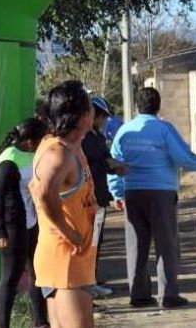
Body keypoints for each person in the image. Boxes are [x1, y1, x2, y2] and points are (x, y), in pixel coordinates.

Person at [110, 87, 196, 308]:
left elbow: (114, 162)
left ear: (137, 106)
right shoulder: (165, 129)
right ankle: (168, 295)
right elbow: (183, 157)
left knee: (136, 245)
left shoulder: (124, 131)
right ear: (158, 106)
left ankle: (138, 295)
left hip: (132, 193)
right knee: (166, 244)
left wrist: (117, 193)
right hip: (161, 194)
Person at [29, 80, 98, 328]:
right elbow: (44, 194)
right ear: (80, 117)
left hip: (72, 255)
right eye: (90, 107)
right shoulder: (58, 153)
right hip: (65, 254)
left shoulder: (70, 147)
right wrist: (71, 234)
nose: (94, 112)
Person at [0, 117, 49, 328]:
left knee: (38, 272)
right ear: (30, 142)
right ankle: (2, 324)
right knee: (11, 276)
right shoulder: (9, 160)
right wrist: (0, 233)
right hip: (10, 224)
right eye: (41, 139)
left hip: (30, 221)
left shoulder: (31, 154)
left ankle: (41, 321)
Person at [81, 96, 127, 297]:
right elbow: (88, 166)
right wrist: (109, 165)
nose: (105, 121)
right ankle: (86, 282)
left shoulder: (98, 138)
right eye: (103, 117)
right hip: (87, 199)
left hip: (100, 197)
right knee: (89, 241)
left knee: (96, 240)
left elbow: (104, 160)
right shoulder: (83, 140)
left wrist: (115, 167)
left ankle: (92, 278)